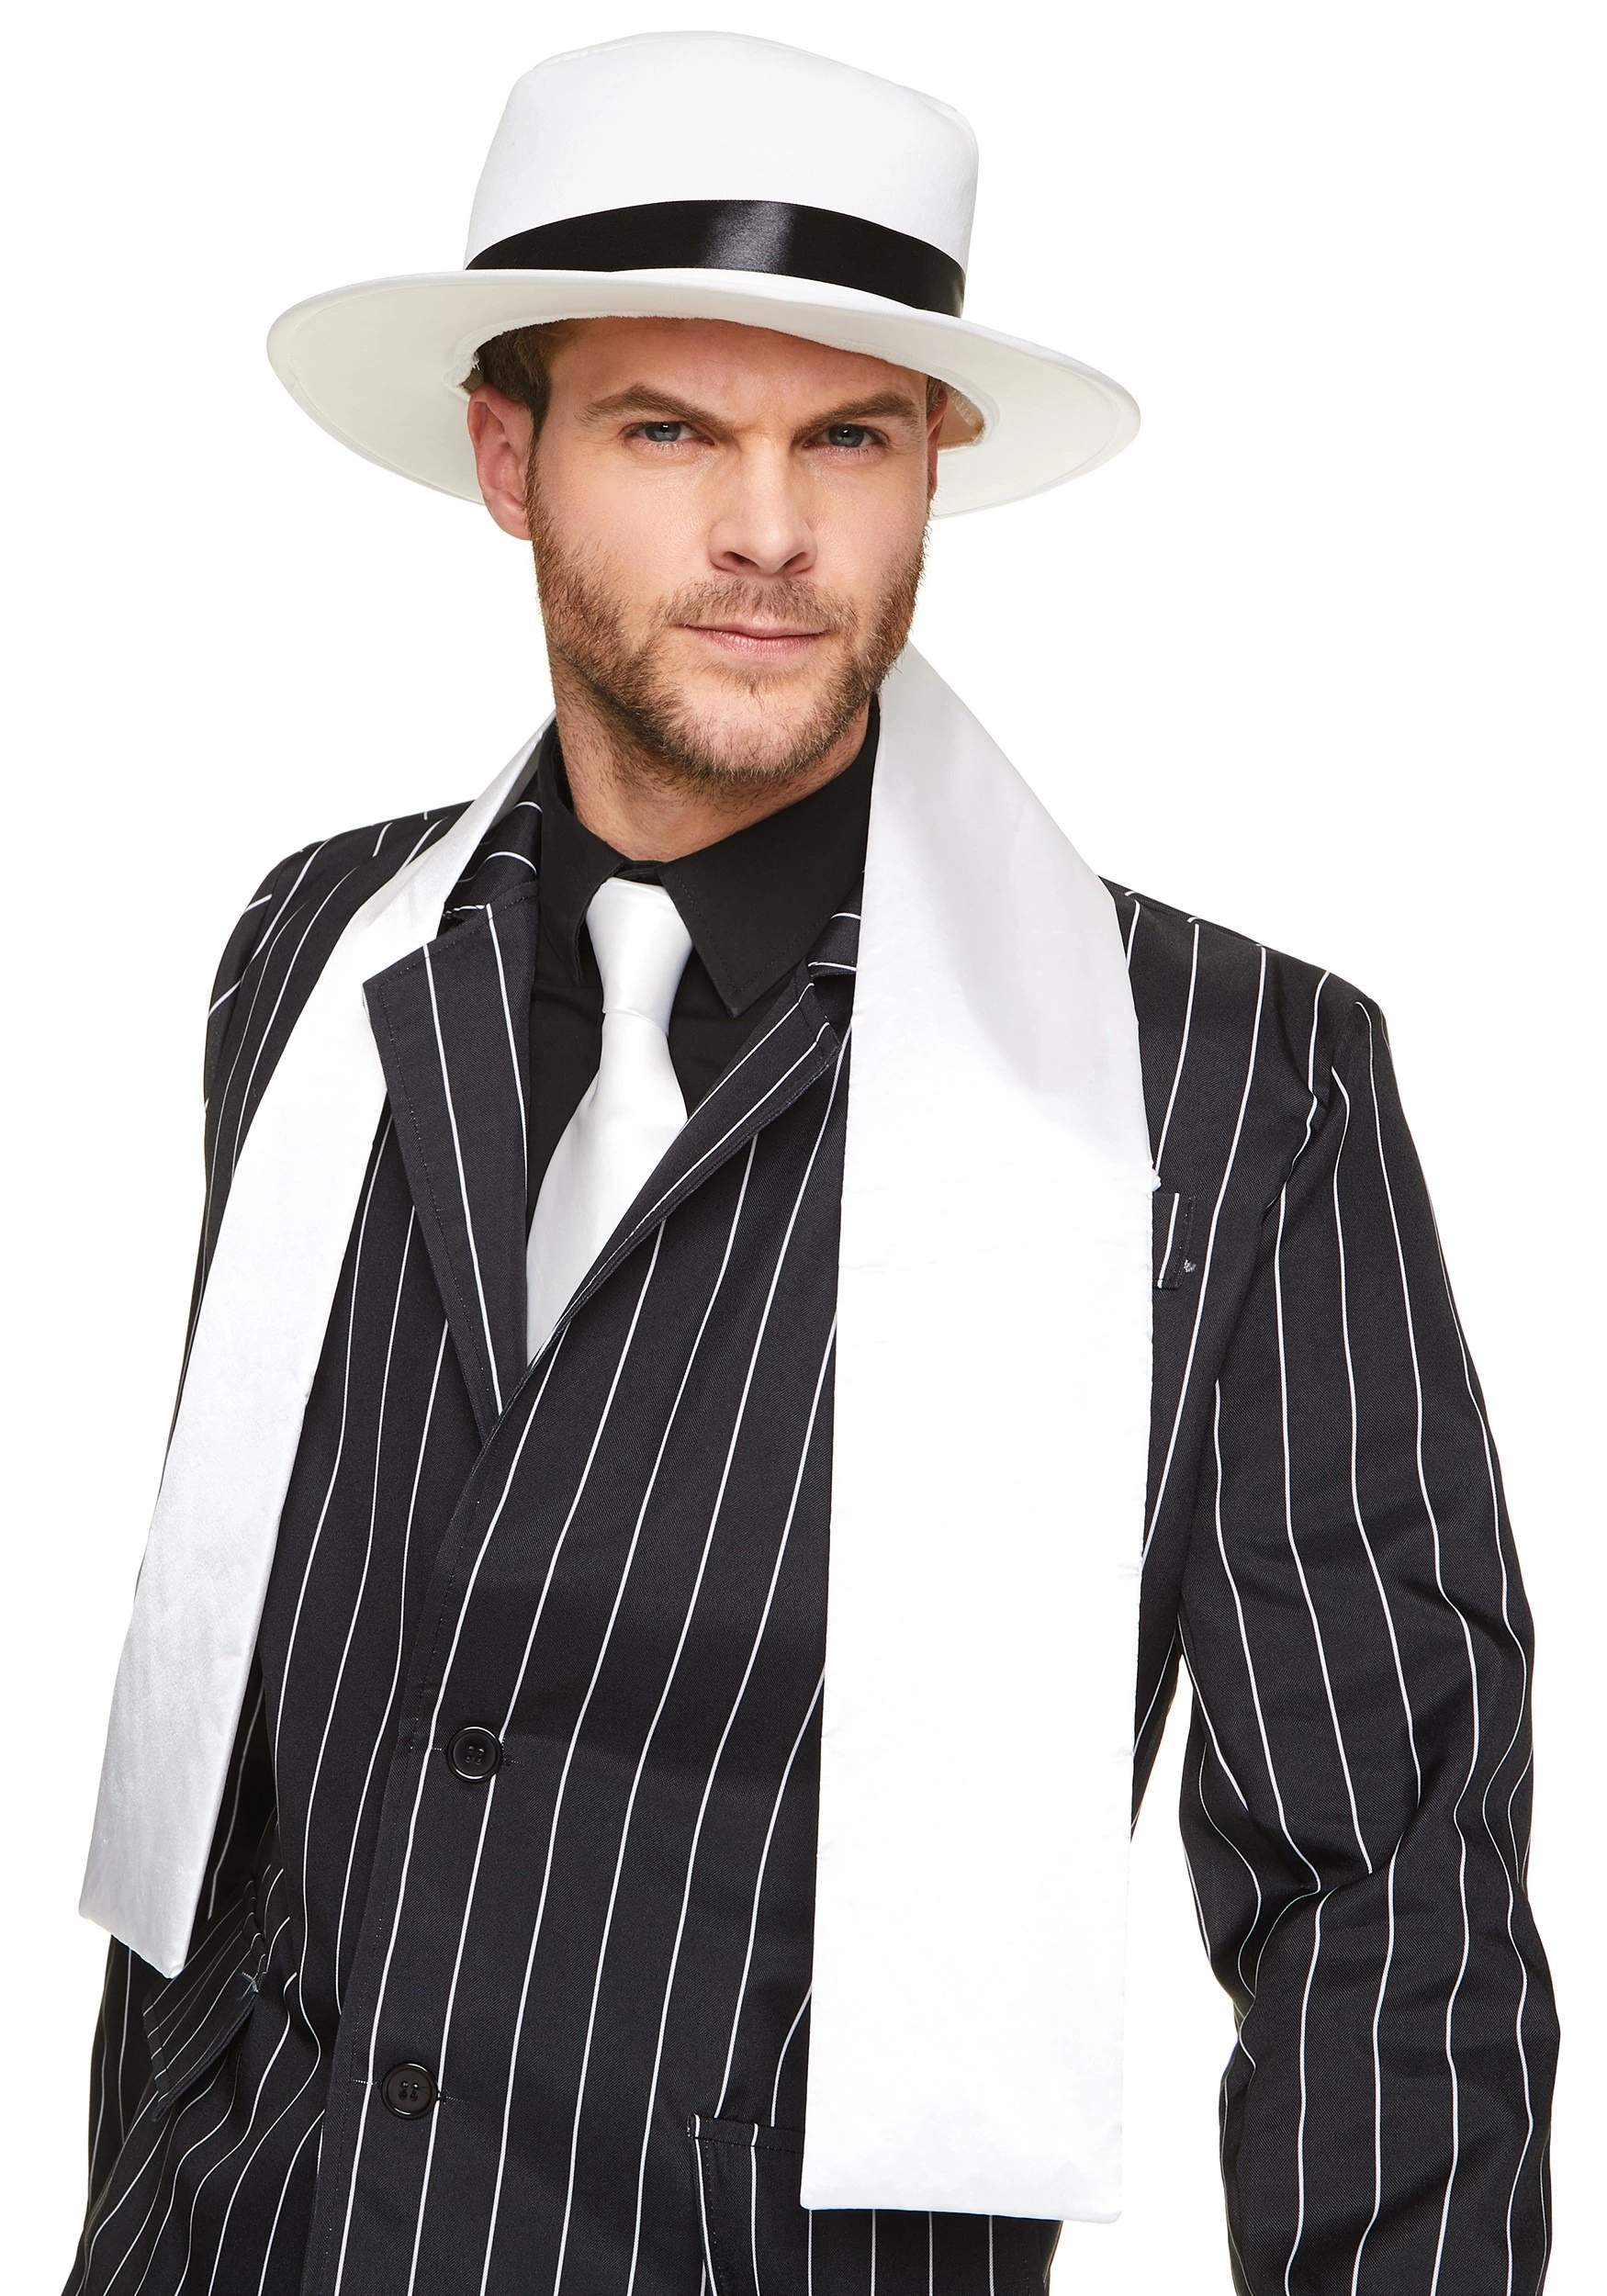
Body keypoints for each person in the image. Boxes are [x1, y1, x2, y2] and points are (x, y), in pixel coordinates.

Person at [65, 31, 1556, 2296]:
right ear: (508, 456)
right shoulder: (314, 955)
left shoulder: (1231, 1091)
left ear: (928, 461)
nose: (767, 530)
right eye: (668, 428)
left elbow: (1390, 1908)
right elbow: (235, 1767)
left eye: (843, 435)